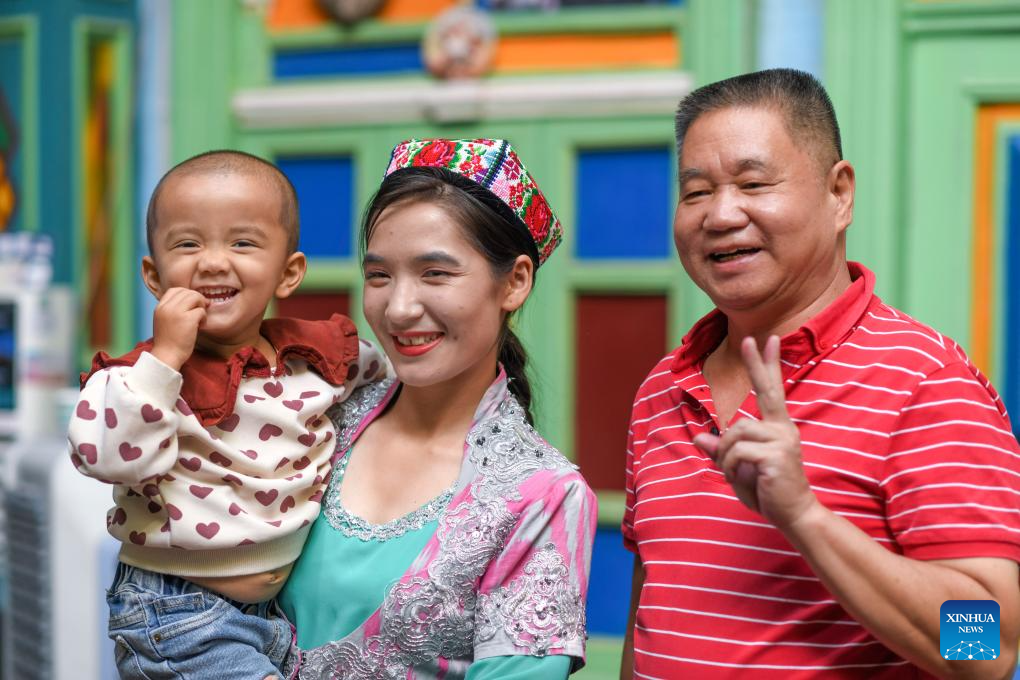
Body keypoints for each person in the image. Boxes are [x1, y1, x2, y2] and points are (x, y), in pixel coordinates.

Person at [620, 68, 1020, 679]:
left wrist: (805, 516)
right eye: (696, 192)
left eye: (753, 183)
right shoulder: (662, 388)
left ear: (840, 194)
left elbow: (987, 650)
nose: (720, 215)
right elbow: (651, 616)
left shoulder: (924, 379)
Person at [277, 138, 598, 679]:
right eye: (379, 276)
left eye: (435, 274)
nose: (399, 309)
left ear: (515, 281)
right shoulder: (313, 416)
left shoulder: (541, 495)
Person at [68, 150, 385, 679]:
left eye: (242, 243)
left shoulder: (317, 359)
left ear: (288, 273)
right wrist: (166, 358)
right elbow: (105, 456)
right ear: (154, 276)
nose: (213, 261)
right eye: (187, 244)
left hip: (277, 613)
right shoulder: (135, 379)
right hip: (175, 610)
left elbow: (392, 385)